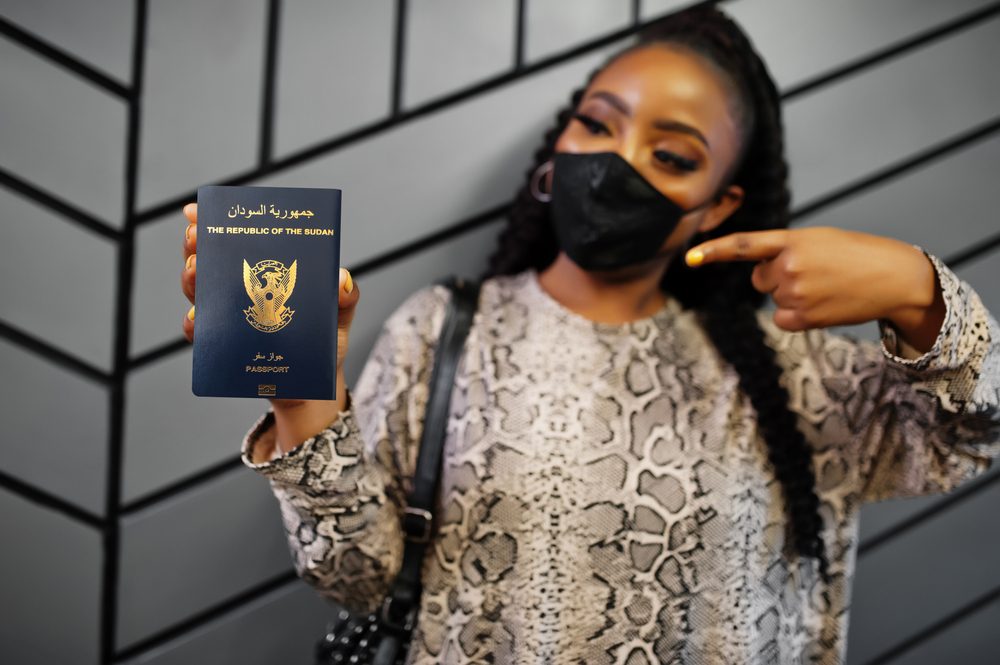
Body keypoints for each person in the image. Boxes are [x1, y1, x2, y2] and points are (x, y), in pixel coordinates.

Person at [179, 6, 998, 663]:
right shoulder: (444, 329)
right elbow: (356, 578)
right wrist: (301, 397)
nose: (615, 162)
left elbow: (972, 436)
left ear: (717, 207)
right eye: (598, 125)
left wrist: (916, 289)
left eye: (671, 156)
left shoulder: (793, 377)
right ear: (559, 145)